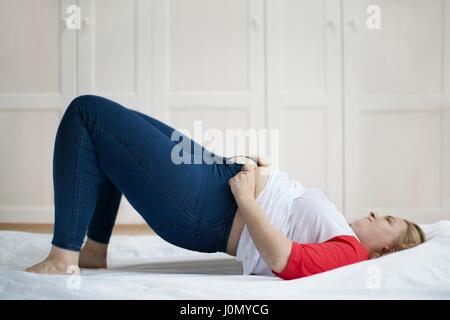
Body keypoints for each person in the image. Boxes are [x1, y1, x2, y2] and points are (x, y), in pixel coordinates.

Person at [25, 95, 426, 280]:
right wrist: (261, 171)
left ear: (389, 248)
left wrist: (247, 197)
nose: (376, 213)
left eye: (387, 219)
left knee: (87, 114)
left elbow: (282, 259)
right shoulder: (340, 235)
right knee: (116, 129)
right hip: (216, 180)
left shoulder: (349, 254)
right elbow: (288, 215)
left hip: (206, 209)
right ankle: (93, 251)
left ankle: (64, 257)